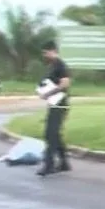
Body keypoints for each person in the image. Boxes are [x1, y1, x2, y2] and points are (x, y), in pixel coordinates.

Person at [37, 41, 71, 176]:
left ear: (53, 51)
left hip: (60, 103)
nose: (44, 55)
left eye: (46, 52)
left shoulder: (60, 64)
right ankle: (64, 163)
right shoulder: (52, 66)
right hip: (53, 103)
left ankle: (49, 165)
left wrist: (48, 93)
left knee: (50, 134)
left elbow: (65, 84)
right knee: (54, 134)